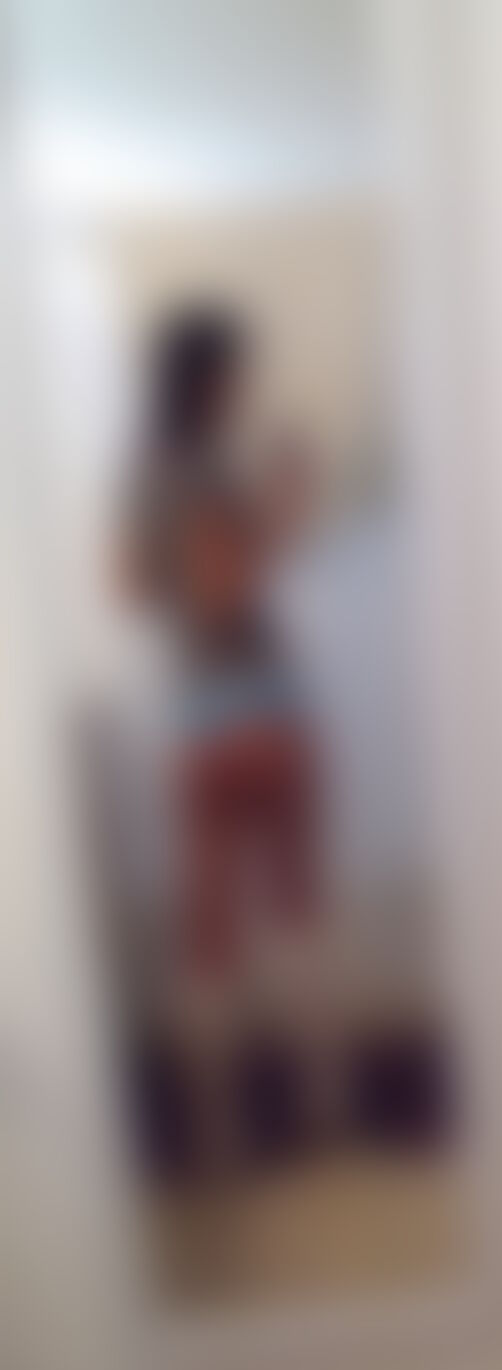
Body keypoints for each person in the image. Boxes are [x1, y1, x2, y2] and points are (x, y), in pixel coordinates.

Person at [123, 306, 320, 987]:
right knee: (290, 888)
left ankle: (219, 1052)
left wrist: (258, 524)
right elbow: (229, 589)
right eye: (238, 373)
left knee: (212, 907)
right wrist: (284, 499)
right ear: (211, 380)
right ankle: (312, 1046)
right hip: (257, 694)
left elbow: (131, 588)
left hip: (195, 702)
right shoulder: (206, 471)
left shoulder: (146, 475)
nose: (245, 388)